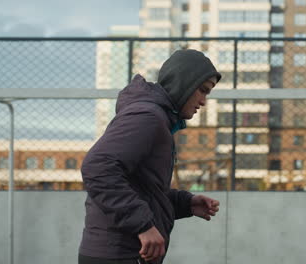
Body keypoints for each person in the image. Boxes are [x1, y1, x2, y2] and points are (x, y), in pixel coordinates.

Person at [78, 49, 221, 264]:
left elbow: (144, 190)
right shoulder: (148, 117)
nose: (203, 101)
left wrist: (186, 203)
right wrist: (142, 225)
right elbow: (97, 167)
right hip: (118, 254)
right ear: (184, 84)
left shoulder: (157, 120)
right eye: (202, 90)